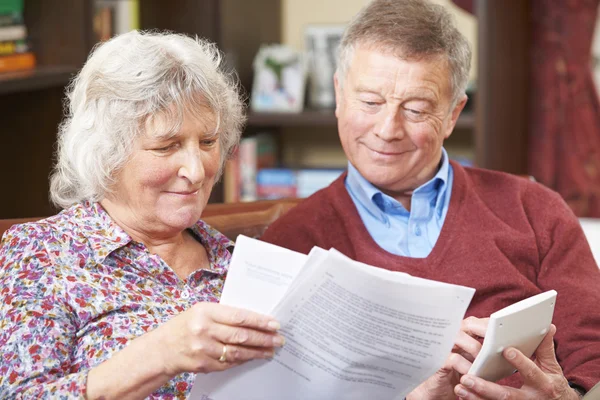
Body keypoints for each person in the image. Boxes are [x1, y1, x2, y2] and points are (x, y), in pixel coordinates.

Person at [261, 0, 600, 398]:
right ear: (339, 94)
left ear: (453, 114)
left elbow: (591, 353)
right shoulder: (290, 243)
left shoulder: (535, 210)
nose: (387, 130)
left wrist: (569, 396)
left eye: (417, 109)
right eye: (370, 102)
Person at [0, 31, 285, 399]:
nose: (196, 171)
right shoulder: (42, 254)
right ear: (107, 154)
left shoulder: (237, 261)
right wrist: (161, 354)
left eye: (208, 142)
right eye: (167, 146)